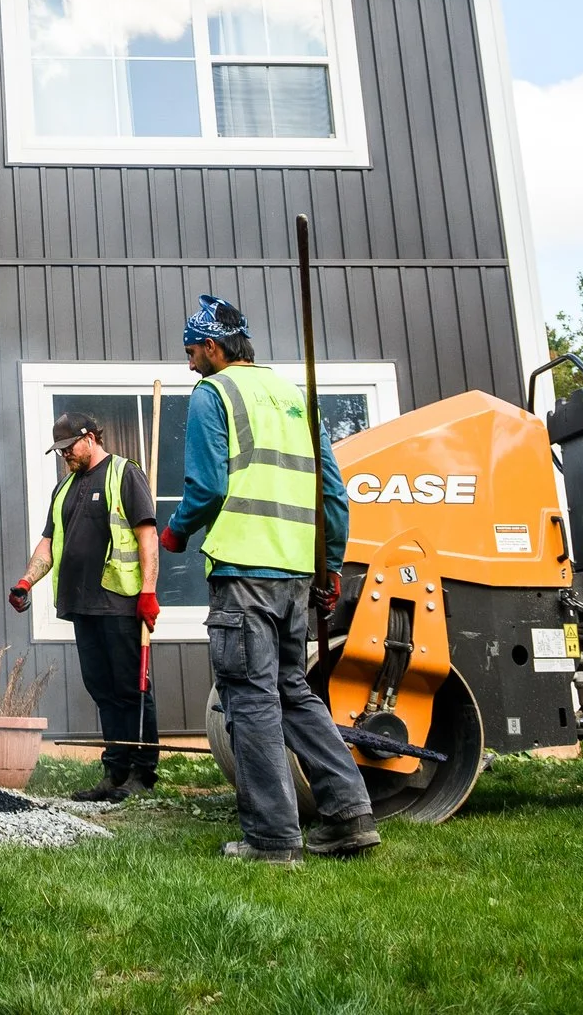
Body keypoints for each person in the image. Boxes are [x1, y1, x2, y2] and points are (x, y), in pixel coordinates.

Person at [160, 295, 379, 862]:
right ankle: (349, 816)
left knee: (250, 701)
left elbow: (206, 488)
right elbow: (332, 492)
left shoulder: (214, 394)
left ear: (213, 346)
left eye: (191, 352)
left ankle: (272, 839)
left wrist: (178, 530)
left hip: (244, 572)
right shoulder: (291, 394)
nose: (189, 365)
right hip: (293, 574)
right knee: (293, 692)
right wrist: (328, 566)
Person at [9, 410, 160, 801]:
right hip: (82, 606)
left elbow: (147, 535)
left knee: (131, 687)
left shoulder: (124, 473)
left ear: (90, 437)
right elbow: (48, 543)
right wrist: (27, 580)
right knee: (102, 689)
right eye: (59, 451)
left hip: (120, 602)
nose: (65, 456)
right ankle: (115, 771)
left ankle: (142, 774)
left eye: (68, 447)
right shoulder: (64, 490)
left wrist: (148, 591)